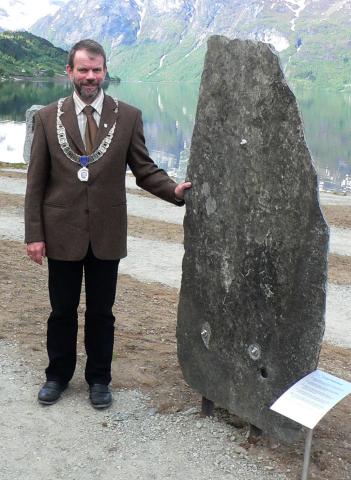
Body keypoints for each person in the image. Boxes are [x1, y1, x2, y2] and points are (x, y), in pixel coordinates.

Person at [24, 39, 191, 409]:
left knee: (102, 313)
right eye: (83, 69)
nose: (90, 77)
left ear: (105, 71)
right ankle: (57, 376)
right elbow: (35, 182)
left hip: (106, 233)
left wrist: (175, 190)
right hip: (61, 231)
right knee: (61, 310)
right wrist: (34, 235)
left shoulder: (127, 116)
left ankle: (99, 380)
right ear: (70, 72)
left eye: (97, 69)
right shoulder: (47, 117)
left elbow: (145, 170)